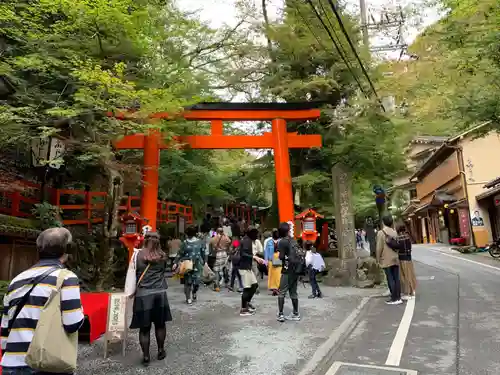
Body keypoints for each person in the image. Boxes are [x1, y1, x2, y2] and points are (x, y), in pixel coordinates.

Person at [0, 227, 85, 374]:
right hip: (43, 362)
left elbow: (5, 327)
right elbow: (73, 323)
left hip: (11, 363)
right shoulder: (65, 278)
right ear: (67, 250)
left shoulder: (17, 280)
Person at [129, 232, 172, 366]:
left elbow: (132, 273)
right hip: (159, 294)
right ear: (158, 241)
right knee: (160, 325)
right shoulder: (162, 255)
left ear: (145, 240)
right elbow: (163, 272)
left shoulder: (138, 255)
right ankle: (160, 350)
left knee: (144, 328)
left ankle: (146, 356)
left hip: (143, 295)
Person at [277, 222, 302, 322]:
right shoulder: (293, 240)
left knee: (282, 292)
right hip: (296, 270)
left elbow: (281, 257)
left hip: (287, 270)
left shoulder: (282, 242)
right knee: (293, 292)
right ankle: (296, 313)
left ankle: (281, 314)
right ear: (288, 230)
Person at [173, 226, 205, 305]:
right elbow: (180, 253)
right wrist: (175, 262)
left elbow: (203, 252)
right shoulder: (184, 243)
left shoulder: (200, 242)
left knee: (197, 281)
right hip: (186, 264)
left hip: (197, 264)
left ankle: (194, 291)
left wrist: (204, 261)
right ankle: (188, 298)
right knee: (188, 282)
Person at [238, 227, 265, 316]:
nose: (257, 236)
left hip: (248, 267)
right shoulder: (246, 241)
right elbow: (243, 254)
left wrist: (256, 257)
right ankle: (243, 309)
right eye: (256, 234)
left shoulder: (248, 240)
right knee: (247, 287)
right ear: (251, 233)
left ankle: (247, 302)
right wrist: (254, 257)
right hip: (244, 267)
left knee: (254, 285)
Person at [376, 215, 403, 305]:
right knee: (396, 278)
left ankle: (394, 298)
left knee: (390, 278)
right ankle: (398, 297)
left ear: (383, 222)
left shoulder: (381, 233)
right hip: (395, 258)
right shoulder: (394, 232)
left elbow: (379, 248)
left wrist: (378, 258)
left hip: (386, 258)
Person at [396, 225, 417, 300]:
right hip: (409, 258)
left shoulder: (399, 238)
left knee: (404, 275)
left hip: (402, 258)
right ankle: (412, 290)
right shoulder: (408, 237)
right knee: (411, 274)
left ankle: (407, 293)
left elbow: (396, 247)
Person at [265, 229, 281, 295]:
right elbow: (266, 251)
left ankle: (277, 287)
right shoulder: (269, 242)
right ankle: (273, 288)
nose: (276, 234)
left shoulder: (281, 241)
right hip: (271, 259)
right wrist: (266, 261)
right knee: (272, 274)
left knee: (278, 274)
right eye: (275, 233)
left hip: (278, 259)